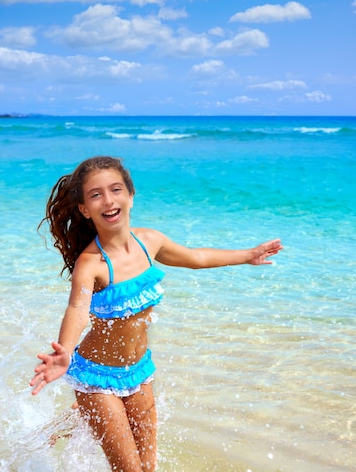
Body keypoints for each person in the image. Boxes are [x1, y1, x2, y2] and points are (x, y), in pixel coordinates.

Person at [30, 156, 282, 471]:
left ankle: (74, 416)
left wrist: (248, 255)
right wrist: (64, 351)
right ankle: (85, 406)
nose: (108, 200)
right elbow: (77, 309)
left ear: (130, 196)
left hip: (139, 372)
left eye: (115, 189)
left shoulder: (149, 241)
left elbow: (196, 257)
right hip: (97, 377)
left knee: (149, 468)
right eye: (96, 195)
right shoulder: (91, 263)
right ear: (84, 209)